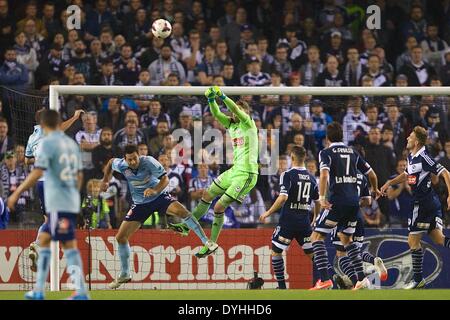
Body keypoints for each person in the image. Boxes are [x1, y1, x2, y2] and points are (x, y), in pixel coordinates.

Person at [102, 144, 218, 289]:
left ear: (139, 155)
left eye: (135, 159)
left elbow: (165, 180)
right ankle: (125, 274)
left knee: (183, 212)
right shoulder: (121, 165)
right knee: (120, 237)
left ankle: (207, 242)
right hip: (140, 204)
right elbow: (110, 162)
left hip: (158, 196)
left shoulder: (149, 161)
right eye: (129, 160)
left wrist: (154, 190)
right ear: (125, 159)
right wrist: (105, 180)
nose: (132, 162)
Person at [7, 109, 88, 300]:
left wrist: (16, 193)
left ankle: (81, 292)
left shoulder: (46, 144)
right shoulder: (70, 144)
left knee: (67, 244)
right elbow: (79, 175)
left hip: (52, 190)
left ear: (42, 125)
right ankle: (38, 291)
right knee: (45, 239)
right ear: (59, 124)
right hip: (65, 193)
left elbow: (36, 172)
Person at [169, 86, 259, 257]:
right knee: (207, 195)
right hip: (234, 171)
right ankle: (187, 227)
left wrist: (222, 95)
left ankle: (211, 243)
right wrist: (211, 99)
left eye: (240, 110)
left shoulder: (249, 124)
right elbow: (217, 114)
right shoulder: (232, 126)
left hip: (247, 174)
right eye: (236, 111)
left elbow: (232, 108)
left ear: (246, 112)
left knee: (218, 207)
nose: (236, 113)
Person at [310, 122, 380, 290]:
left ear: (327, 138)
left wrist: (320, 197)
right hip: (353, 204)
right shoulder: (353, 152)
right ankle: (361, 279)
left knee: (316, 238)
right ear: (342, 136)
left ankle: (325, 279)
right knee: (347, 240)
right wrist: (375, 189)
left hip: (337, 203)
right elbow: (371, 174)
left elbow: (324, 174)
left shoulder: (325, 152)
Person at [380, 126, 450, 289]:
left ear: (417, 141)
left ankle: (418, 280)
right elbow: (406, 175)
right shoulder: (412, 157)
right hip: (429, 203)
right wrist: (390, 182)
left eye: (410, 137)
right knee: (439, 239)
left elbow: (445, 173)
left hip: (422, 204)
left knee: (412, 241)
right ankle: (418, 280)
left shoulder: (424, 157)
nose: (407, 139)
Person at [24, 108, 84, 272]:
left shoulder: (32, 137)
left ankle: (42, 250)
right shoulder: (48, 131)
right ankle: (41, 246)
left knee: (49, 219)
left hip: (40, 183)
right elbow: (62, 128)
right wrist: (75, 116)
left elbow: (26, 160)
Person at [259, 146, 320, 289]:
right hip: (304, 222)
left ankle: (281, 287)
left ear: (292, 158)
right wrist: (315, 217)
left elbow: (283, 197)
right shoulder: (311, 178)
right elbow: (317, 202)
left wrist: (268, 212)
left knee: (276, 251)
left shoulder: (287, 175)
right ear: (304, 158)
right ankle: (327, 279)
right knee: (312, 255)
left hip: (288, 221)